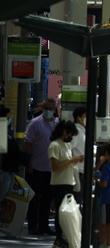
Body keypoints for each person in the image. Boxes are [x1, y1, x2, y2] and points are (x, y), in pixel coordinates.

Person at [25, 98, 58, 235]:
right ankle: (33, 226)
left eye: (52, 109)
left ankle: (44, 226)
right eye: (47, 108)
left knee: (47, 199)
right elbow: (28, 144)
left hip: (51, 168)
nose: (49, 111)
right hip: (36, 167)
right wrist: (29, 163)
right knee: (34, 199)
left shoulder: (57, 123)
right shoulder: (35, 123)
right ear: (43, 108)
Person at [49, 120, 83, 247]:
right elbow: (55, 167)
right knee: (60, 212)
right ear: (64, 132)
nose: (70, 137)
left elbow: (67, 163)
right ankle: (59, 237)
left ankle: (64, 236)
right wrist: (71, 160)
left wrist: (74, 161)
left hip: (69, 182)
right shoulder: (54, 145)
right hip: (59, 184)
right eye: (69, 134)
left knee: (67, 212)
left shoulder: (66, 145)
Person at [70, 106, 86, 204]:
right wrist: (76, 158)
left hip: (82, 170)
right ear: (78, 118)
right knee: (76, 200)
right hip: (77, 171)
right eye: (85, 116)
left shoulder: (82, 130)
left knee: (79, 200)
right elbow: (69, 148)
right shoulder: (77, 131)